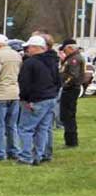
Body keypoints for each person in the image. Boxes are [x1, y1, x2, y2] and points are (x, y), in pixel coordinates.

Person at [15, 35, 60, 165]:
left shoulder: (30, 63)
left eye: (29, 47)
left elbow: (24, 83)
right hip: (50, 98)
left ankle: (26, 156)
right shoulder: (52, 61)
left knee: (25, 129)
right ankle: (38, 155)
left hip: (36, 99)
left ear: (35, 47)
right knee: (42, 128)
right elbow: (58, 81)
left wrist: (25, 99)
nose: (27, 49)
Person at [0, 37, 21, 162]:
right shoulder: (16, 55)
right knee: (12, 125)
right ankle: (14, 151)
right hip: (14, 92)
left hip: (0, 94)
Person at [59, 40, 85, 149]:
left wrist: (63, 84)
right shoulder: (73, 57)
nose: (64, 52)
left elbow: (72, 75)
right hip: (71, 88)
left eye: (65, 50)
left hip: (71, 89)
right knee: (67, 115)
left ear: (70, 48)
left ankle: (71, 141)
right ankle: (70, 139)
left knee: (68, 115)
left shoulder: (74, 59)